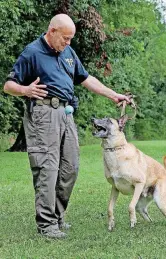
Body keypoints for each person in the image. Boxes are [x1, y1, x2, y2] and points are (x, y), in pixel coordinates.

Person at [4, 14, 130, 239]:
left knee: (70, 167)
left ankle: (57, 216)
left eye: (71, 39)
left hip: (66, 113)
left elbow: (86, 78)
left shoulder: (68, 53)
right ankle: (46, 225)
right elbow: (8, 85)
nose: (68, 43)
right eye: (65, 38)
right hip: (43, 114)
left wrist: (113, 96)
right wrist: (25, 90)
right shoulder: (32, 52)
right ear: (52, 31)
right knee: (47, 168)